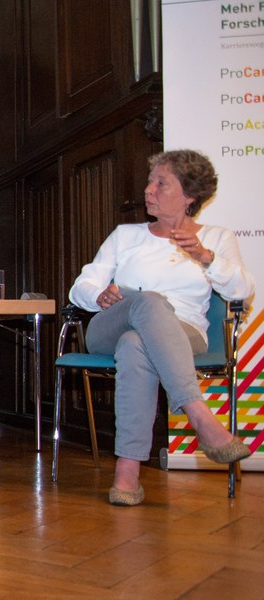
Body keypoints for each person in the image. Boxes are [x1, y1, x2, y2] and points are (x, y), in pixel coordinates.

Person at [69, 149, 255, 506]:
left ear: (189, 197)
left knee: (136, 344)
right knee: (149, 302)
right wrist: (100, 296)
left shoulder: (215, 238)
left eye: (161, 183)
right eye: (150, 181)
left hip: (183, 334)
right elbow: (81, 287)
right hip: (110, 325)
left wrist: (206, 258)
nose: (148, 189)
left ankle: (127, 471)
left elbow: (241, 293)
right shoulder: (126, 235)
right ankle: (198, 413)